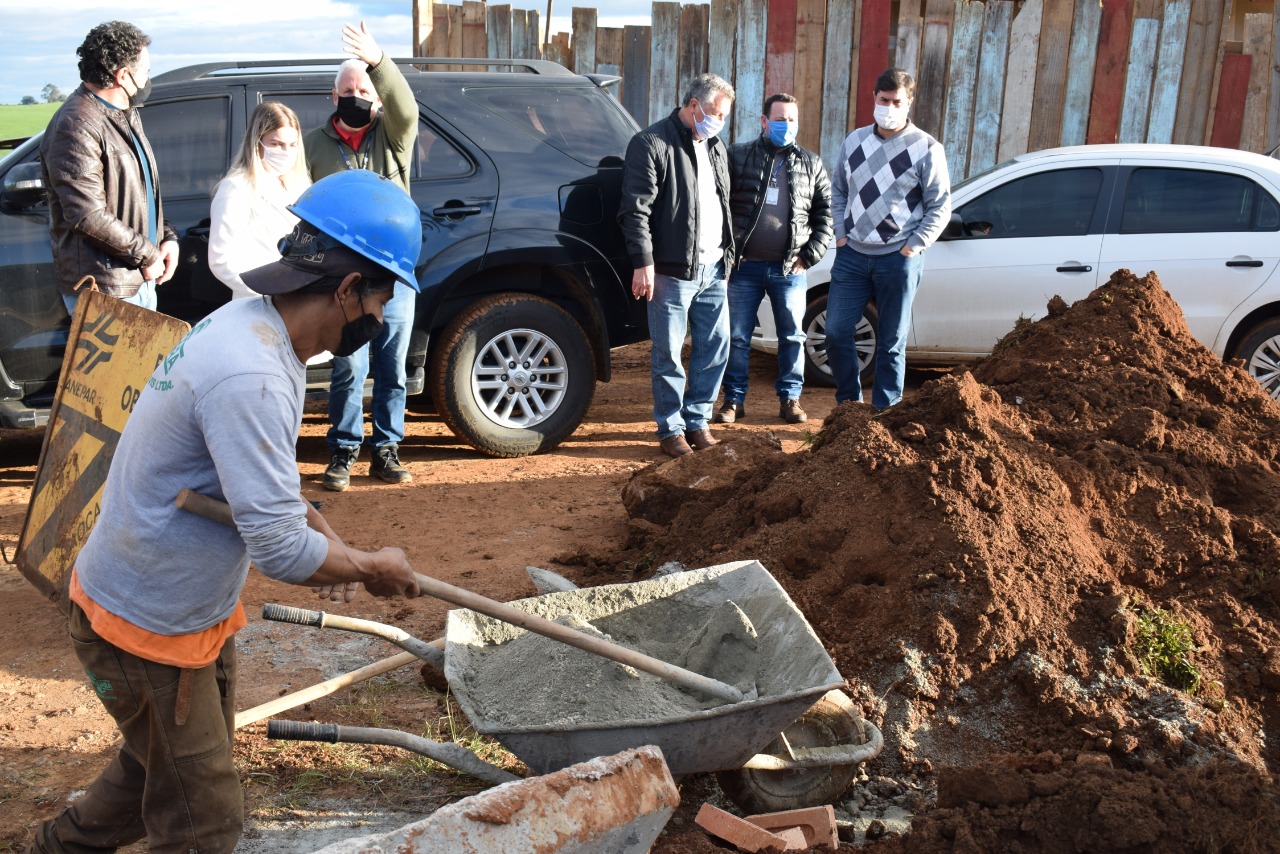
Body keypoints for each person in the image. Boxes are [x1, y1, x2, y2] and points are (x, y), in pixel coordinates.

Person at [28, 170, 424, 852]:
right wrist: (368, 567)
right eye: (381, 297)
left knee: (159, 767)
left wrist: (312, 521)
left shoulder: (259, 327)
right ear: (345, 287)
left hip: (169, 609)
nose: (382, 318)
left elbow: (253, 489)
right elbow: (277, 549)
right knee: (203, 820)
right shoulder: (254, 372)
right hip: (142, 627)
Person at [304, 21, 419, 492]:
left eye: (365, 88)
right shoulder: (312, 146)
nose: (356, 95)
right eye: (348, 89)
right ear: (334, 96)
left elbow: (407, 110)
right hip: (344, 280)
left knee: (392, 367)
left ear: (376, 96)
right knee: (350, 366)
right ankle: (343, 451)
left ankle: (387, 450)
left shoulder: (391, 139)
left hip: (391, 274)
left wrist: (379, 61)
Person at [618, 73, 736, 458]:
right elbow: (635, 210)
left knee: (715, 347)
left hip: (714, 267)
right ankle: (671, 429)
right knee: (668, 353)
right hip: (671, 271)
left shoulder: (715, 146)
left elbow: (723, 203)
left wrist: (728, 252)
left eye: (724, 115)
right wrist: (643, 262)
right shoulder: (651, 143)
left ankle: (697, 420)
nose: (719, 121)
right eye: (715, 113)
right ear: (693, 106)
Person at [826, 68, 951, 411]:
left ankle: (886, 412)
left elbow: (940, 205)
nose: (890, 107)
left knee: (891, 342)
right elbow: (838, 189)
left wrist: (914, 246)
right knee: (836, 332)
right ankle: (849, 405)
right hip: (852, 254)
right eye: (884, 100)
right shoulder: (854, 141)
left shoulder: (927, 148)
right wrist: (840, 234)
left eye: (897, 101)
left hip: (898, 258)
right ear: (874, 98)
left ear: (909, 102)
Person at [40, 20, 179, 315]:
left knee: (147, 364)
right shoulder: (76, 125)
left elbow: (140, 195)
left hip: (135, 280)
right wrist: (147, 255)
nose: (147, 79)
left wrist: (167, 237)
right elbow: (87, 216)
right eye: (145, 71)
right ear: (123, 75)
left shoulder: (124, 113)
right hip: (106, 289)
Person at [717, 93, 833, 426]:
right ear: (764, 121)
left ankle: (790, 400)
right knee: (737, 337)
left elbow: (826, 214)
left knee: (792, 336)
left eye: (792, 119)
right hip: (744, 269)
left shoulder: (811, 163)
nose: (787, 125)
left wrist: (810, 255)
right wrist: (728, 251)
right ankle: (733, 401)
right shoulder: (738, 156)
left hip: (789, 270)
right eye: (780, 119)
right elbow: (720, 204)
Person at [208, 102, 311, 299]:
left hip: (299, 299)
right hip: (259, 301)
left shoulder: (300, 186)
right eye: (276, 144)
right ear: (257, 143)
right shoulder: (236, 188)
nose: (285, 152)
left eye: (292, 145)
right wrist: (266, 290)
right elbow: (221, 260)